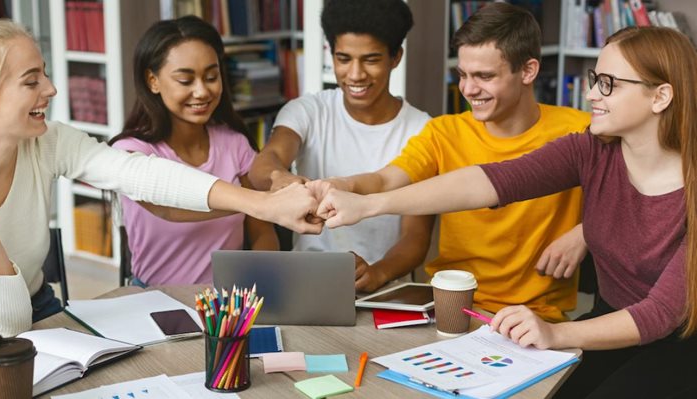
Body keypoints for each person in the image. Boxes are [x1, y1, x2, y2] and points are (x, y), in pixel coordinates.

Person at [317, 26, 697, 398]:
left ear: (660, 96)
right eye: (595, 78)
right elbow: (489, 182)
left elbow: (661, 313)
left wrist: (555, 334)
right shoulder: (592, 150)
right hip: (607, 317)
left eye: (609, 84)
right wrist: (369, 205)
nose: (592, 93)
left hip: (680, 341)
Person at [0, 20, 320, 362]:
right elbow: (6, 324)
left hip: (41, 309)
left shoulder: (47, 142)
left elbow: (141, 174)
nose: (51, 89)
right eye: (32, 80)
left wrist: (263, 204)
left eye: (46, 74)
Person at [308, 2, 590, 322]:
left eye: (484, 76)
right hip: (450, 306)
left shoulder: (579, 131)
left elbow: (639, 196)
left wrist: (585, 232)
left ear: (528, 71)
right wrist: (341, 185)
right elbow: (386, 179)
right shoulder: (444, 132)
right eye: (463, 75)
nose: (469, 89)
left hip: (536, 316)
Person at [248, 0, 434, 292]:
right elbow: (266, 161)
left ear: (395, 57)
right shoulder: (308, 110)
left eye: (371, 59)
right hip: (307, 282)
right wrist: (281, 178)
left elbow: (415, 237)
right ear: (330, 54)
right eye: (343, 58)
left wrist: (377, 273)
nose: (356, 74)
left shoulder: (423, 129)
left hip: (386, 288)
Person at [109, 16, 278, 287]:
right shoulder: (131, 154)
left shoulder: (234, 143)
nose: (202, 91)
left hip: (228, 305)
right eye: (185, 80)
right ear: (153, 81)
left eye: (211, 77)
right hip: (155, 300)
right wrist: (254, 202)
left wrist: (258, 285)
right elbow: (171, 206)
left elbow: (262, 232)